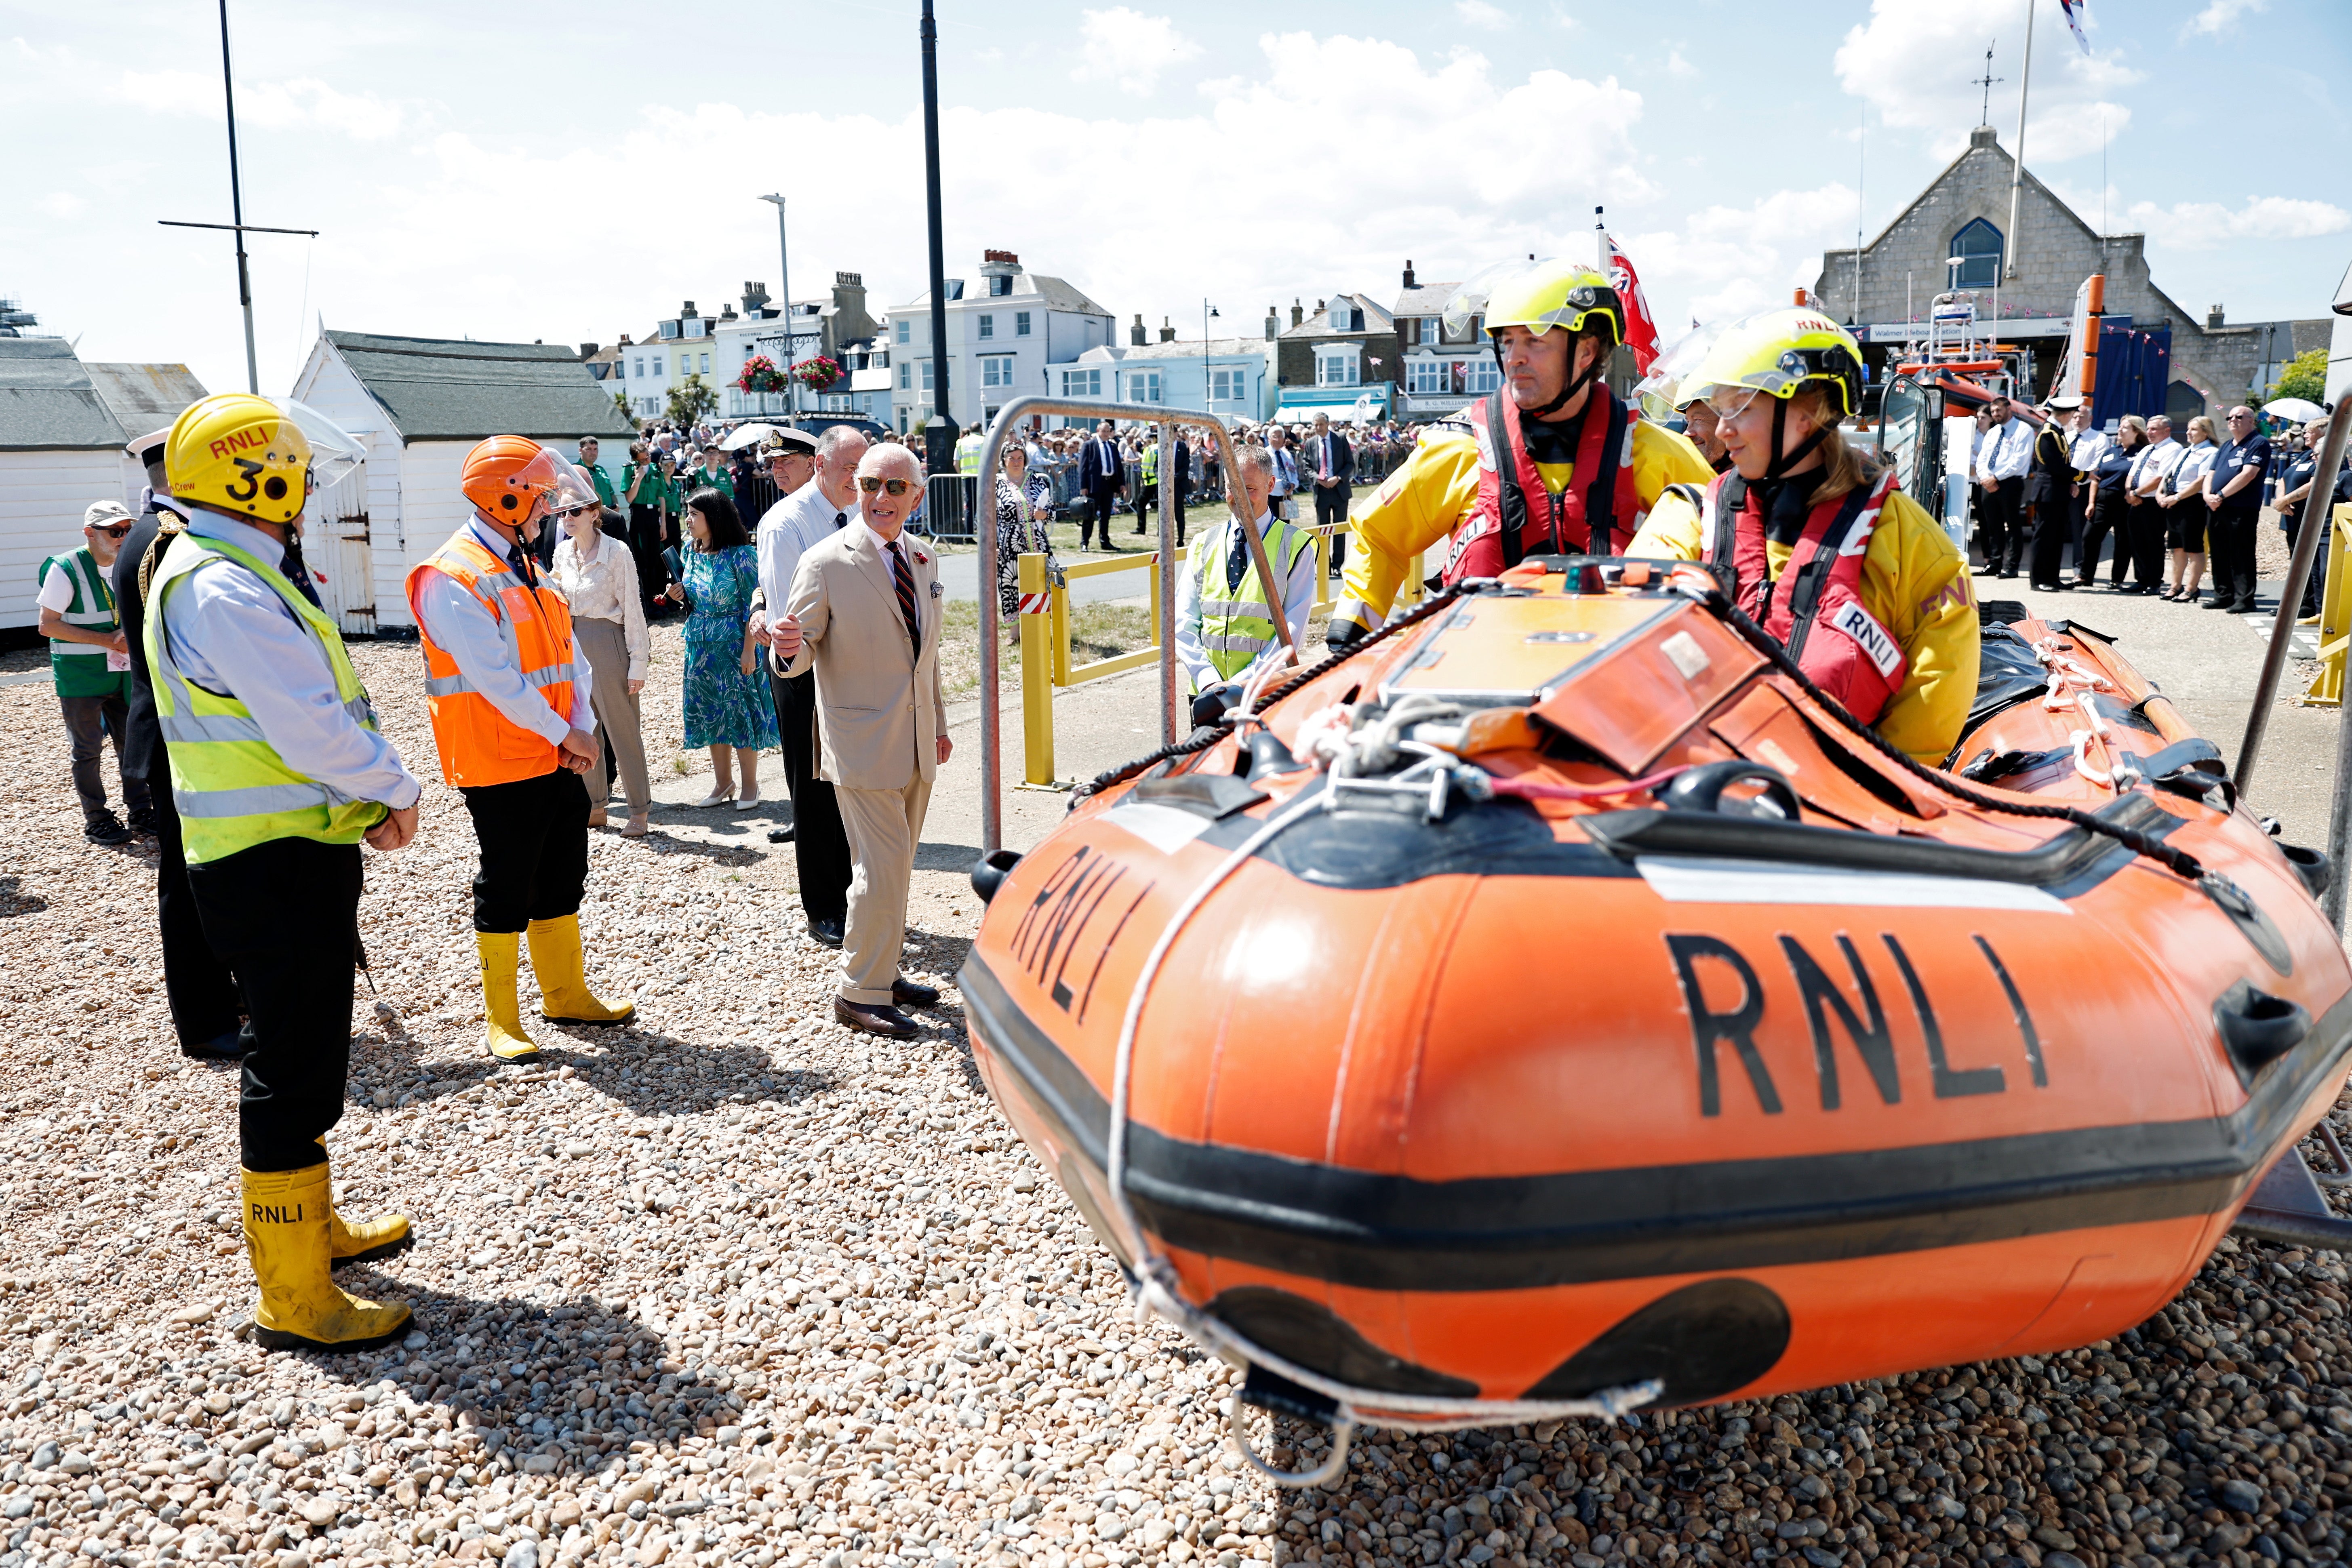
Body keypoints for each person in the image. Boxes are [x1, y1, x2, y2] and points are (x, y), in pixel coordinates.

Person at [145, 391, 422, 1352]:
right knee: (291, 1064)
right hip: (270, 859)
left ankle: (311, 1228)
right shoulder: (223, 584)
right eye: (296, 473)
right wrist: (392, 788)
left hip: (277, 850)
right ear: (254, 477)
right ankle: (293, 1291)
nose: (304, 488)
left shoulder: (228, 567)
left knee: (307, 1045)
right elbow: (304, 721)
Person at [1627, 308, 1979, 765]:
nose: (1720, 429)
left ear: (1808, 413)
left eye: (1739, 408)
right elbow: (1626, 626)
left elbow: (1930, 713)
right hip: (1689, 799)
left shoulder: (1911, 546)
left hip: (1834, 815)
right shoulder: (1689, 518)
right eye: (1718, 407)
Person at [1329, 257, 1712, 646]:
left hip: (1608, 686)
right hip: (1472, 683)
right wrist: (1348, 634)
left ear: (1587, 351)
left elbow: (1729, 549)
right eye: (1508, 340)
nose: (1515, 357)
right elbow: (1378, 537)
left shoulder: (1660, 456)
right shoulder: (1459, 449)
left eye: (1535, 340)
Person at [408, 436, 634, 1063]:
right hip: (501, 757)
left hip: (555, 752)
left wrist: (580, 728)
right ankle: (501, 1021)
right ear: (505, 497)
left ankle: (566, 994)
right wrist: (570, 733)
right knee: (508, 881)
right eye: (540, 502)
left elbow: (570, 659)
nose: (549, 514)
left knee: (563, 873)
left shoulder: (524, 563)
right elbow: (495, 679)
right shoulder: (453, 574)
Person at [771, 444, 951, 1041]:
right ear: (855, 489)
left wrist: (941, 724)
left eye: (895, 487)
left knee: (893, 868)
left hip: (918, 741)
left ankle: (884, 968)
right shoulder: (825, 562)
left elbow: (928, 659)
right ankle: (858, 991)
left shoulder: (922, 558)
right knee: (882, 867)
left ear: (917, 497)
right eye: (870, 483)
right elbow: (793, 660)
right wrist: (788, 646)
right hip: (861, 744)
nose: (880, 497)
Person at [114, 428, 248, 1060]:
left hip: (165, 723)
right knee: (190, 879)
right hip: (180, 727)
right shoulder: (168, 540)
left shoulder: (148, 533)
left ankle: (229, 1000)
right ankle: (206, 1019)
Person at [748, 425, 855, 945]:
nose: (859, 482)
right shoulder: (785, 523)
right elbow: (788, 610)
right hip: (804, 666)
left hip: (857, 667)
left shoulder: (861, 511)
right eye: (849, 471)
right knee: (813, 788)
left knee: (852, 782)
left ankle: (855, 892)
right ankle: (824, 906)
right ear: (821, 466)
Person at [1177, 446, 1317, 726]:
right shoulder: (1203, 543)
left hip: (1263, 693)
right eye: (1232, 487)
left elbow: (1291, 632)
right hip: (1206, 696)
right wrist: (1209, 681)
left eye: (1250, 488)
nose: (1239, 497)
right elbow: (1183, 622)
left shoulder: (1296, 545)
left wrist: (1240, 684)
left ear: (1271, 485)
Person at [38, 500, 152, 844]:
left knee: (130, 743)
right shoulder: (66, 567)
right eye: (115, 531)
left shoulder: (132, 563)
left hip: (122, 673)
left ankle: (140, 808)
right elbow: (47, 625)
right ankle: (97, 817)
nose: (124, 537)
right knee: (87, 750)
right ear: (90, 533)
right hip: (81, 676)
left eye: (128, 530)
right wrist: (108, 640)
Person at [663, 489, 775, 806]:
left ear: (714, 517)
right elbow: (694, 594)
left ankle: (751, 786)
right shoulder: (689, 551)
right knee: (711, 712)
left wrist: (749, 649)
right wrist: (678, 594)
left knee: (739, 712)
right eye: (687, 512)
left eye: (694, 514)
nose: (688, 519)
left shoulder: (741, 554)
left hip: (734, 641)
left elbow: (753, 604)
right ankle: (723, 783)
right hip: (700, 643)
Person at [550, 495, 651, 836]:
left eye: (574, 510)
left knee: (623, 729)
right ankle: (595, 805)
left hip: (609, 641)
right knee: (584, 727)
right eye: (563, 511)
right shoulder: (562, 552)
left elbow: (633, 608)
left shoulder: (618, 552)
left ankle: (639, 810)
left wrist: (639, 661)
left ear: (594, 514)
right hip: (573, 642)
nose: (567, 516)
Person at [2203, 406, 2272, 613]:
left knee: (2241, 554)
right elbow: (2211, 473)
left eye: (2239, 417)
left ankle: (2245, 599)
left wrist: (2221, 495)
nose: (2233, 420)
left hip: (2241, 508)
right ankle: (2223, 595)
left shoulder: (2258, 443)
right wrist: (2208, 496)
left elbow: (2248, 474)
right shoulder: (2226, 446)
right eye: (2229, 417)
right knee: (2219, 553)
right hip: (2216, 507)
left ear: (2251, 420)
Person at [2276, 417, 2339, 619]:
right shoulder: (2304, 455)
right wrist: (2281, 501)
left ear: (2323, 434)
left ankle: (2309, 605)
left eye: (2309, 431)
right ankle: (2297, 602)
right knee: (2296, 560)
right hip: (2291, 515)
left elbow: (2316, 482)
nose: (2305, 435)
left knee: (2311, 564)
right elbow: (2284, 477)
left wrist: (2286, 499)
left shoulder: (2328, 457)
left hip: (2309, 517)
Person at [995, 443, 1061, 625]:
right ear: (1004, 461)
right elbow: (987, 517)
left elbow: (1052, 509)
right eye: (1012, 458)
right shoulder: (995, 483)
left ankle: (1047, 623)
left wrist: (1045, 514)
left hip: (1037, 540)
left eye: (1020, 458)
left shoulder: (1036, 480)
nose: (1016, 462)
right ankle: (1015, 630)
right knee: (1011, 584)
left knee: (1046, 580)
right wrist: (993, 545)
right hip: (1009, 544)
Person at [2079, 415, 2146, 592]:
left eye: (2125, 428)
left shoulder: (2141, 453)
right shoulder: (2111, 452)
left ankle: (2117, 579)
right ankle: (2086, 576)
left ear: (2136, 432)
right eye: (2120, 427)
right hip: (2102, 500)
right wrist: (2091, 503)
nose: (2120, 431)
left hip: (2124, 502)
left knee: (2123, 541)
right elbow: (2096, 479)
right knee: (2089, 537)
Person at [2157, 416, 2219, 604]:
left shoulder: (2210, 452)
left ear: (2206, 432)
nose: (2188, 433)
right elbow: (2170, 474)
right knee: (2177, 547)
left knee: (2193, 547)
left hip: (2192, 503)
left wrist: (2176, 497)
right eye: (2188, 429)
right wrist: (2161, 493)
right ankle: (2175, 586)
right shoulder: (2187, 451)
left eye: (2193, 429)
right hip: (2176, 502)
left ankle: (2192, 588)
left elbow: (2201, 481)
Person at [1973, 394, 2033, 578]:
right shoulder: (1993, 432)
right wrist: (1986, 478)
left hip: (2010, 483)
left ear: (2009, 409)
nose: (1996, 414)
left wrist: (1995, 478)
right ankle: (1994, 563)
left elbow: (2020, 461)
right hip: (1988, 482)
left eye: (1999, 410)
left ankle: (2012, 566)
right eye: (1993, 411)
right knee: (1993, 526)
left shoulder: (2024, 430)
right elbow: (1982, 458)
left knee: (2013, 526)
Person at [2130, 415, 2183, 596]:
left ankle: (2154, 582)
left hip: (2153, 502)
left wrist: (2137, 493)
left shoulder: (2173, 448)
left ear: (2167, 431)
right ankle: (2141, 579)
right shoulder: (2147, 449)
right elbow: (2133, 473)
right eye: (2149, 429)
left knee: (2153, 542)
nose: (2149, 432)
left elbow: (2161, 478)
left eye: (2154, 429)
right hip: (2136, 499)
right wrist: (2131, 492)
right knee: (2137, 542)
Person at [623, 440, 675, 616]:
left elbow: (661, 497)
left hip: (654, 517)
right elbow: (630, 498)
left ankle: (656, 600)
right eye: (643, 459)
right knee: (642, 561)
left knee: (654, 561)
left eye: (648, 457)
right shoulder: (630, 470)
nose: (647, 461)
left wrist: (664, 525)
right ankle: (644, 603)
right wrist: (638, 478)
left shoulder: (655, 470)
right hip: (639, 515)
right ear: (635, 460)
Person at [1308, 412, 1354, 570]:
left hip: (1339, 490)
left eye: (1321, 424)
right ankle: (1324, 563)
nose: (1318, 428)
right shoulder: (1311, 443)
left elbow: (1350, 464)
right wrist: (1318, 479)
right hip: (1322, 492)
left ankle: (1337, 564)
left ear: (1328, 424)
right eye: (1316, 425)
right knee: (1322, 529)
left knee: (1339, 528)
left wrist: (1338, 478)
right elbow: (1308, 466)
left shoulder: (1340, 439)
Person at [1076, 419, 1124, 551]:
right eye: (1104, 431)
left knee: (1106, 515)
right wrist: (1083, 486)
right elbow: (1083, 467)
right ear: (1098, 431)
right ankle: (1085, 542)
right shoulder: (1089, 445)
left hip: (1109, 484)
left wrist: (1122, 483)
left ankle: (1105, 542)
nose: (1106, 434)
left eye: (1108, 431)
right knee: (1090, 515)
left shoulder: (1113, 446)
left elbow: (1119, 466)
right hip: (1094, 485)